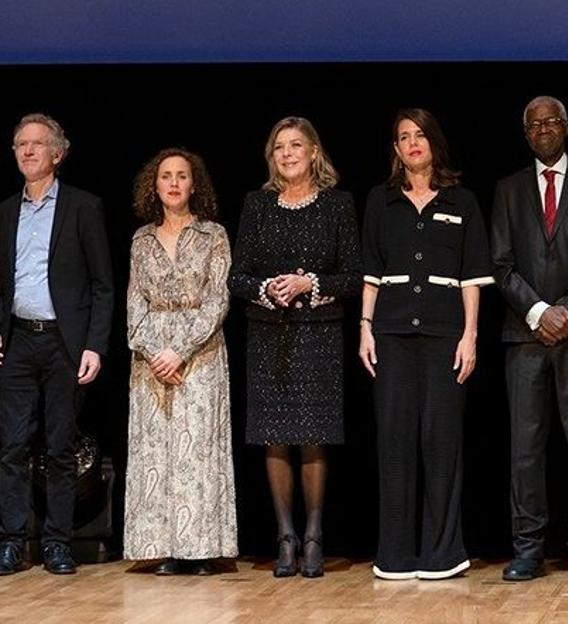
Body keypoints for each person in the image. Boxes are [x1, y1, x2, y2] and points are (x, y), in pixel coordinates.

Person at [359, 108, 493, 581]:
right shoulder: (380, 201)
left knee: (441, 443)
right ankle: (394, 555)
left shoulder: (463, 202)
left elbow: (472, 277)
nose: (413, 143)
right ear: (395, 149)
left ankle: (442, 553)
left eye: (420, 135)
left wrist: (470, 336)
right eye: (403, 137)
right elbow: (371, 271)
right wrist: (365, 328)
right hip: (392, 337)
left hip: (444, 337)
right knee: (394, 441)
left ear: (434, 142)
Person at [491, 96, 568, 583]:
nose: (543, 129)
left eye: (551, 121)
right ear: (526, 134)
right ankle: (528, 548)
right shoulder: (507, 189)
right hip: (525, 336)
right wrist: (539, 312)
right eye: (534, 124)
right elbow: (500, 263)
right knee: (525, 449)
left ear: (566, 127)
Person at [228, 117, 361, 578]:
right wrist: (269, 288)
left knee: (313, 435)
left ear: (314, 152)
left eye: (296, 145)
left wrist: (309, 282)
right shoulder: (257, 205)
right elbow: (236, 276)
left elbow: (353, 275)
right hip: (269, 334)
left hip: (318, 334)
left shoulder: (337, 205)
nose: (287, 154)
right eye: (279, 147)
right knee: (274, 435)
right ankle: (284, 536)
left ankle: (314, 535)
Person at [0, 113, 114, 575]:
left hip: (64, 343)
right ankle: (10, 540)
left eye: (36, 144)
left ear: (58, 153)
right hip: (18, 342)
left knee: (61, 447)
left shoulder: (83, 207)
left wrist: (95, 345)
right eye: (19, 144)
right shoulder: (6, 211)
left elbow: (102, 284)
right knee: (10, 446)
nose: (27, 151)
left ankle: (57, 543)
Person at [124, 148, 237, 575]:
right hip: (152, 358)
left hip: (199, 353)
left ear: (194, 184)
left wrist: (181, 350)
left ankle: (203, 548)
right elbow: (135, 302)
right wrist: (153, 352)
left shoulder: (213, 236)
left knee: (198, 451)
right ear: (154, 185)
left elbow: (217, 299)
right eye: (166, 176)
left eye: (182, 176)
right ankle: (166, 546)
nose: (173, 183)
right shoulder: (141, 239)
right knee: (158, 453)